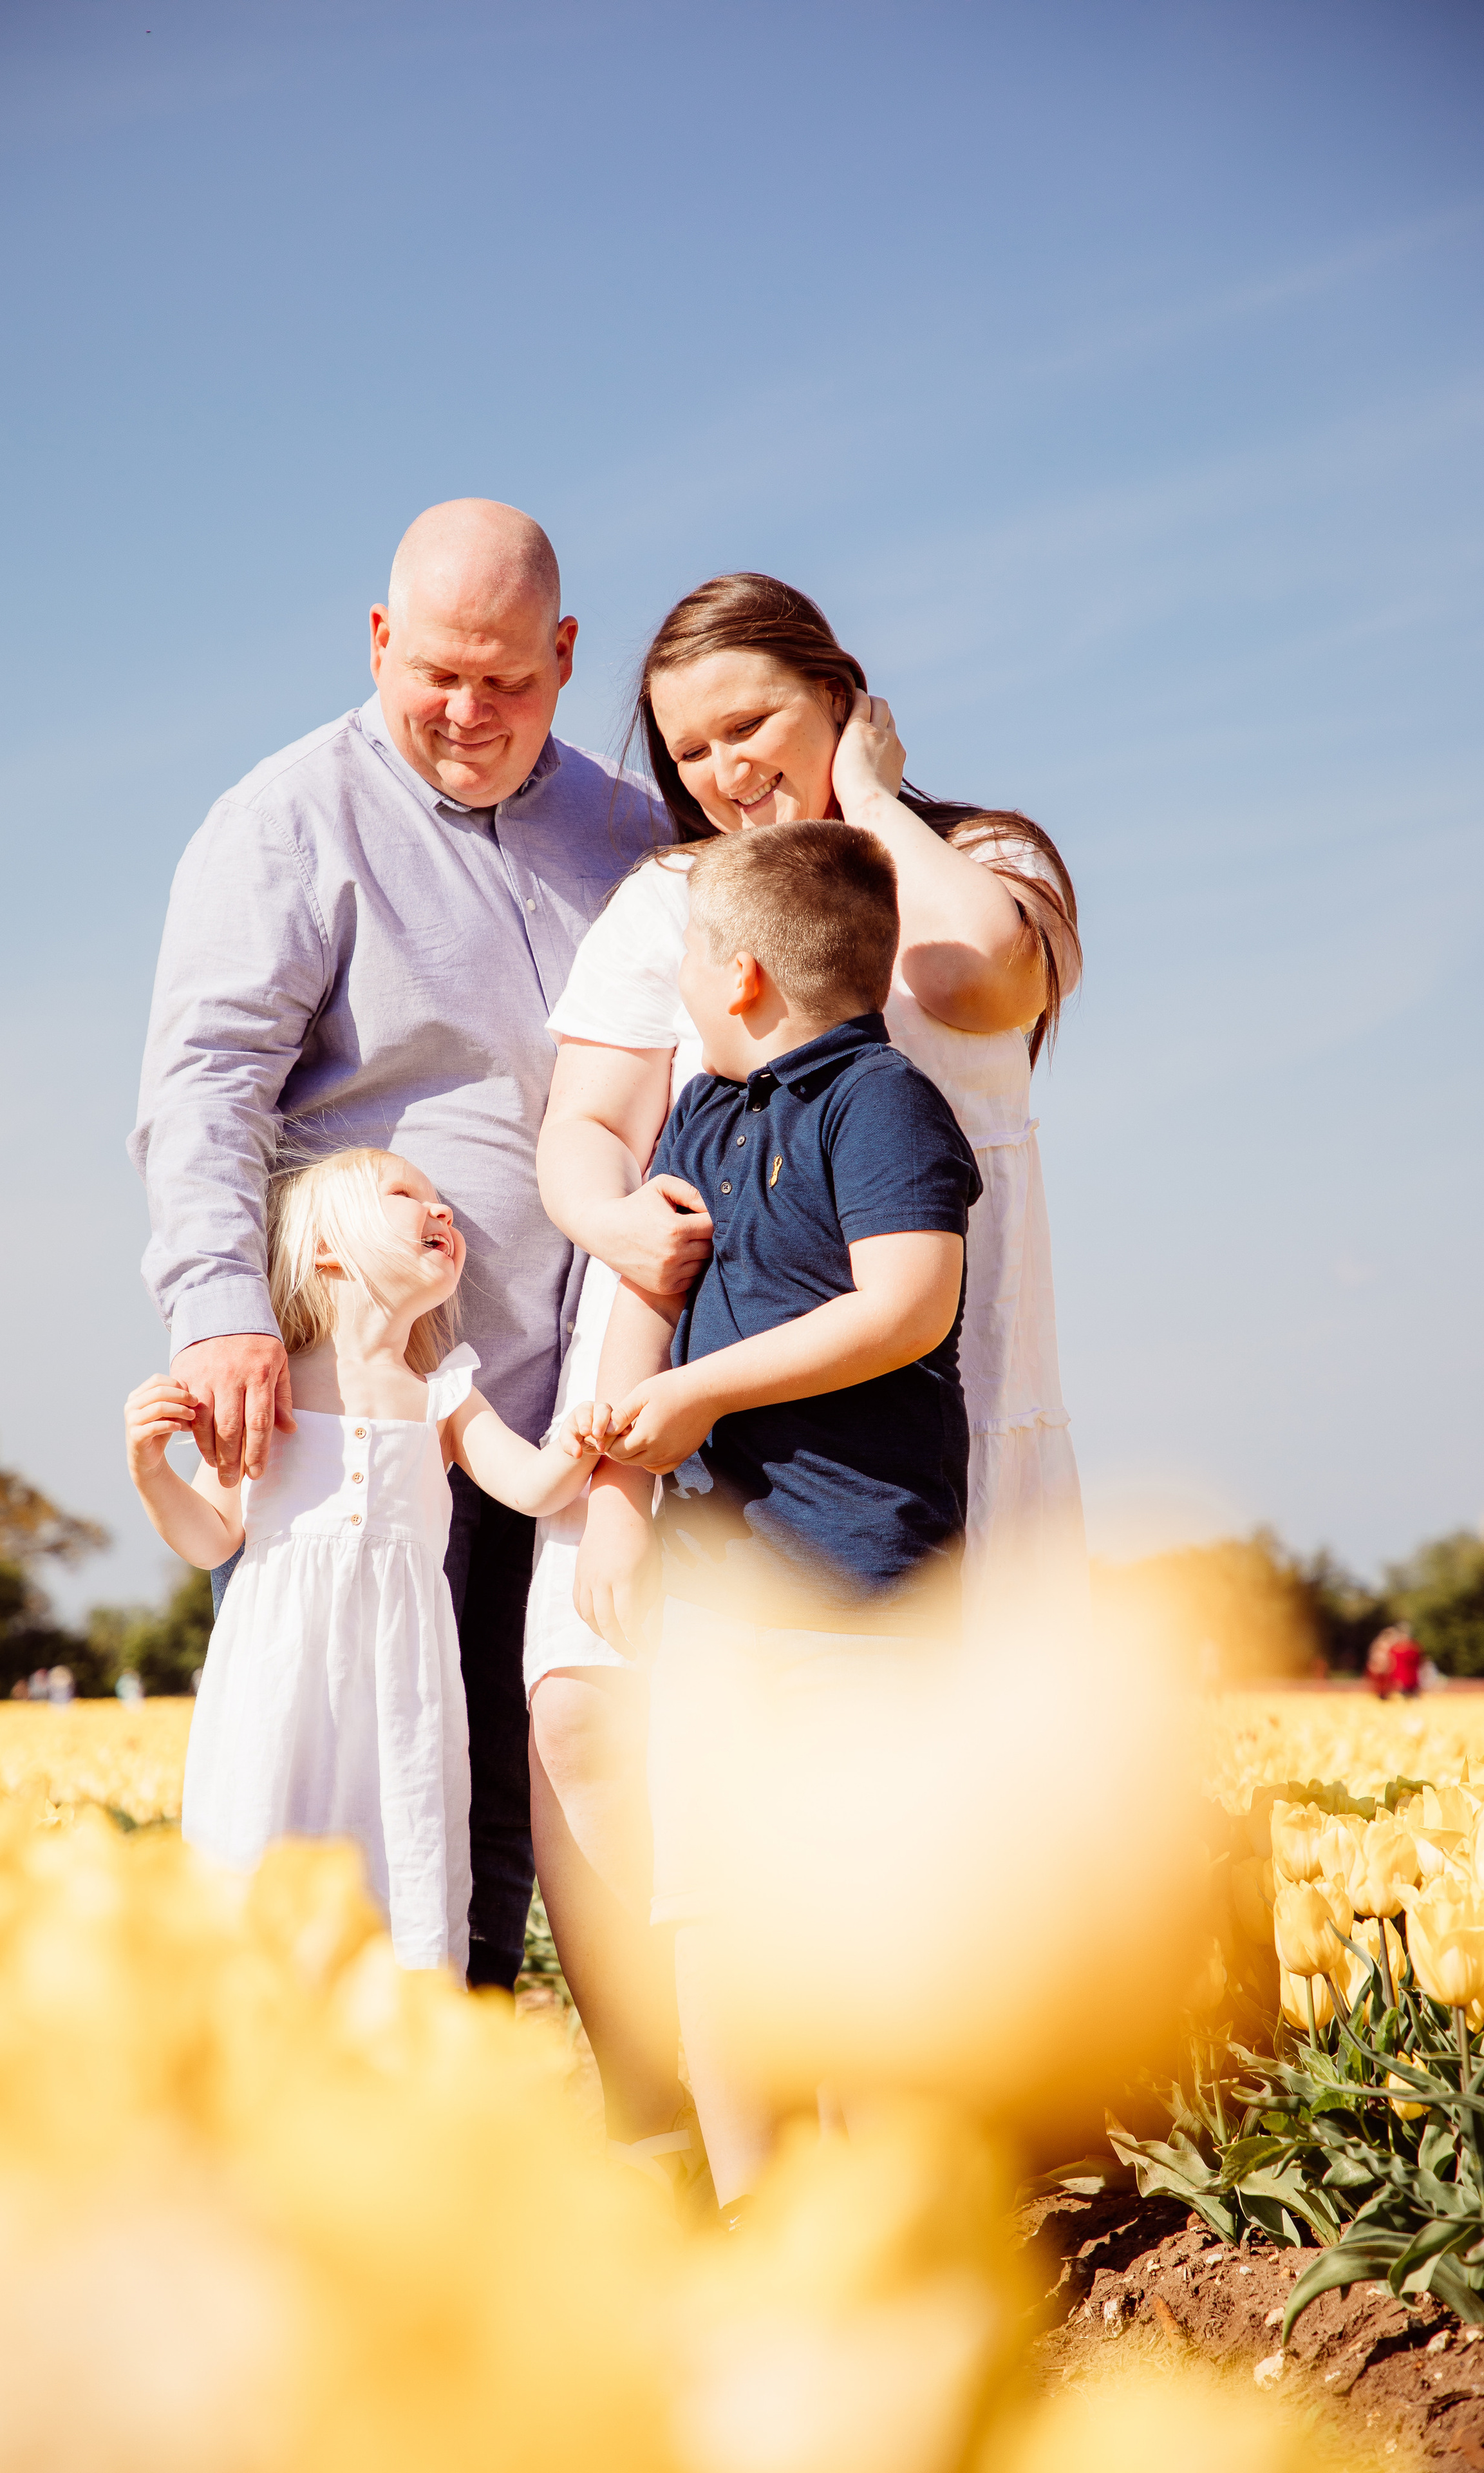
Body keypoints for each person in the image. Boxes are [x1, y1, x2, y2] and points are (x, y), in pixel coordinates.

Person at [523, 572, 1081, 2147]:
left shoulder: (977, 855)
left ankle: (941, 2127)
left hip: (938, 1336)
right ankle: (692, 2125)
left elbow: (972, 974)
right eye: (685, 745)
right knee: (619, 1722)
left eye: (749, 720)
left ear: (838, 690)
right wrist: (615, 1239)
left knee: (934, 1754)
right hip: (713, 1320)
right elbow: (594, 1126)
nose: (719, 766)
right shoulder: (675, 906)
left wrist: (876, 805)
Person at [129, 499, 659, 1994]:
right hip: (340, 1417)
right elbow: (204, 1083)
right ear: (377, 640)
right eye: (434, 670)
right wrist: (222, 1308)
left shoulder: (629, 832)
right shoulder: (285, 819)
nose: (466, 710)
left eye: (506, 678)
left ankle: (457, 2117)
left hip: (556, 1400)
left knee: (483, 1783)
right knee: (315, 1778)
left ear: (564, 658)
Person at [578, 820, 981, 2208]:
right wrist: (621, 1497)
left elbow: (906, 1302)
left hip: (861, 1582)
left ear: (738, 974)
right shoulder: (697, 1110)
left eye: (688, 955)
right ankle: (754, 2214)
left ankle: (874, 2213)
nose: (682, 981)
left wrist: (699, 1395)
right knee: (709, 1905)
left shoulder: (881, 1103)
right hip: (710, 1590)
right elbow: (649, 1295)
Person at [124, 1148, 611, 1975]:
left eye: (444, 1201)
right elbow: (212, 1535)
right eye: (407, 1195)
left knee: (402, 1842)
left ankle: (394, 2048)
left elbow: (528, 1486)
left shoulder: (444, 1390)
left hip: (402, 1684)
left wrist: (577, 1440)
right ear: (325, 1248)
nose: (443, 1212)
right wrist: (147, 1469)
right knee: (262, 1835)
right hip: (277, 1676)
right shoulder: (264, 1382)